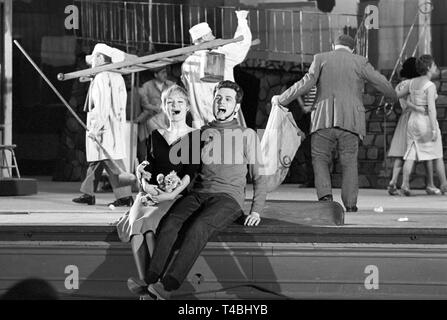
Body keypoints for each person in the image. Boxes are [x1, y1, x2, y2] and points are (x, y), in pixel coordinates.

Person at [144, 80, 266, 300]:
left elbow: (260, 177)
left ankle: (167, 287)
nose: (222, 102)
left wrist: (256, 210)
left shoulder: (247, 135)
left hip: (228, 200)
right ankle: (150, 281)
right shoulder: (202, 132)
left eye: (228, 99)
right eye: (218, 97)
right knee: (170, 222)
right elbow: (178, 164)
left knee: (199, 227)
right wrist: (152, 175)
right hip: (198, 194)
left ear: (236, 107)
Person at [271, 34, 397, 212]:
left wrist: (282, 99)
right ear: (352, 49)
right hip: (351, 121)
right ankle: (351, 204)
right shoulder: (360, 61)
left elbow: (305, 83)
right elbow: (381, 82)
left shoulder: (321, 58)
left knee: (320, 159)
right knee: (349, 161)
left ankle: (325, 197)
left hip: (323, 119)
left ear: (333, 45)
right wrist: (393, 96)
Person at [115, 85, 200, 294]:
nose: (175, 106)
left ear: (187, 107)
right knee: (136, 227)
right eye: (170, 102)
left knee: (150, 227)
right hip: (149, 193)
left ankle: (155, 283)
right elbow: (147, 167)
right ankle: (147, 285)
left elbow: (191, 171)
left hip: (176, 194)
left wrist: (171, 193)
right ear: (163, 107)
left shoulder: (195, 136)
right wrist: (145, 186)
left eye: (180, 102)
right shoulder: (156, 135)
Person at [72, 43, 133, 207]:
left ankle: (125, 196)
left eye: (94, 58)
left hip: (103, 128)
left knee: (112, 163)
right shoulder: (116, 76)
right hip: (112, 125)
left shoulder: (101, 78)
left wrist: (95, 128)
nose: (92, 62)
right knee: (97, 161)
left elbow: (102, 106)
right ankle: (88, 194)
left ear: (100, 57)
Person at [182, 10, 252, 129]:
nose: (215, 37)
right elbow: (242, 44)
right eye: (211, 34)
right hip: (222, 119)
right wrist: (242, 19)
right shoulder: (219, 56)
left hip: (199, 122)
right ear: (204, 37)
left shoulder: (187, 63)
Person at [397, 55, 447, 196]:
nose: (436, 67)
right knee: (437, 155)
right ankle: (444, 185)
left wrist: (413, 106)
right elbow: (431, 109)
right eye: (434, 65)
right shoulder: (430, 86)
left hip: (413, 121)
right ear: (428, 68)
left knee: (410, 154)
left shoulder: (411, 82)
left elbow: (398, 95)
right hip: (425, 121)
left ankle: (405, 184)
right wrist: (433, 128)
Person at [387, 57, 438, 195]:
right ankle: (429, 184)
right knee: (425, 153)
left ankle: (393, 181)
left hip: (403, 119)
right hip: (414, 117)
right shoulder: (414, 83)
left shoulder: (400, 84)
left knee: (400, 153)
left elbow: (396, 97)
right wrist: (418, 107)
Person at [135, 67, 175, 162]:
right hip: (150, 120)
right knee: (145, 151)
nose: (165, 74)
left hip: (165, 121)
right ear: (155, 74)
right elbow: (145, 104)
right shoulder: (147, 86)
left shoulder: (170, 85)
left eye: (166, 72)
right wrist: (157, 108)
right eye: (162, 72)